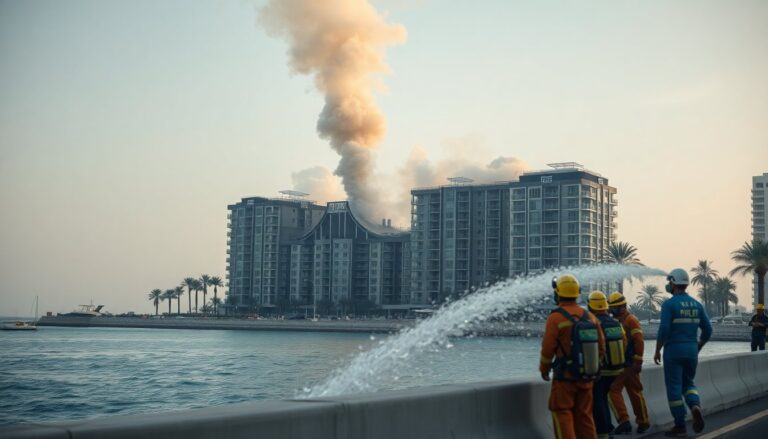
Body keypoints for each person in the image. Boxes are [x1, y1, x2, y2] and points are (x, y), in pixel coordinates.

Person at [540, 274, 606, 439]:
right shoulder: (590, 317)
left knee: (562, 413)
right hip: (586, 378)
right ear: (577, 294)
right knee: (584, 416)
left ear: (557, 294)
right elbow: (601, 347)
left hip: (565, 379)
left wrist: (544, 368)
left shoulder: (555, 318)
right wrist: (590, 366)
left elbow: (548, 348)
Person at [653, 268, 713, 438]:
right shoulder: (697, 304)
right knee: (688, 383)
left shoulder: (669, 305)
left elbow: (664, 329)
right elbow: (708, 329)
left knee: (674, 388)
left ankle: (680, 425)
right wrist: (699, 345)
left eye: (669, 282)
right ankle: (694, 406)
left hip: (673, 352)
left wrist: (657, 350)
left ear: (673, 283)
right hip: (691, 351)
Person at [607, 292, 650, 434]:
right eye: (611, 308)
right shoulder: (618, 321)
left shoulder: (631, 320)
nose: (612, 311)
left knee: (614, 389)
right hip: (623, 363)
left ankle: (626, 420)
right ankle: (642, 421)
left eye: (615, 308)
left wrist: (638, 361)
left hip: (629, 363)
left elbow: (639, 340)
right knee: (634, 391)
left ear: (622, 307)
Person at [588, 291, 627, 439]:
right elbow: (624, 342)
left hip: (602, 370)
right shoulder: (616, 323)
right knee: (603, 398)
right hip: (616, 369)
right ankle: (608, 427)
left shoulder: (594, 323)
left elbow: (595, 347)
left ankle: (603, 432)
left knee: (597, 400)